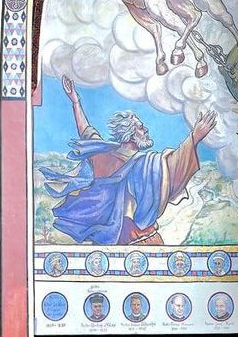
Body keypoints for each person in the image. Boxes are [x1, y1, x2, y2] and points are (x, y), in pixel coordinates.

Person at [41, 76, 216, 244]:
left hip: (109, 243)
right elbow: (174, 164)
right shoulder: (144, 164)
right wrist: (195, 137)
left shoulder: (101, 154)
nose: (146, 130)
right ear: (130, 134)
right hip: (142, 241)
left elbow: (86, 131)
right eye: (140, 127)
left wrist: (76, 102)